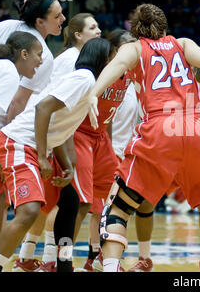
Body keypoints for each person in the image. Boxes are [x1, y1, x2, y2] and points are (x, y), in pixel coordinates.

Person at [87, 3, 200, 272]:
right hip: (196, 128)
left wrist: (93, 92)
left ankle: (110, 267)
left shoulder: (133, 48)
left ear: (136, 31)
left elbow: (118, 65)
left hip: (160, 127)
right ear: (165, 27)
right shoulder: (183, 43)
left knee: (118, 209)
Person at [0, 38, 111, 272]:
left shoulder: (91, 84)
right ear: (104, 60)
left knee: (72, 201)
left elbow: (58, 126)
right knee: (30, 210)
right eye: (113, 58)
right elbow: (43, 108)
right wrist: (44, 158)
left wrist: (67, 164)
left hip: (37, 145)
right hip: (20, 142)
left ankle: (63, 263)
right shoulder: (84, 78)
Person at [14, 13, 102, 272]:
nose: (98, 31)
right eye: (93, 27)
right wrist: (52, 150)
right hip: (62, 134)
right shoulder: (71, 62)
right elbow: (49, 106)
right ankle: (51, 260)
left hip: (63, 133)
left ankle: (32, 257)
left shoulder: (81, 64)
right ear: (77, 34)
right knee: (70, 201)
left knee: (65, 200)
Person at [127, 82, 200, 273]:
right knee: (145, 203)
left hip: (193, 154)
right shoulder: (157, 88)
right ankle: (144, 259)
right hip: (164, 153)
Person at [74, 29, 135, 273]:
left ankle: (99, 260)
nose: (133, 50)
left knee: (111, 203)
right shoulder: (93, 75)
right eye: (128, 46)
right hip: (78, 136)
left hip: (101, 140)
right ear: (112, 51)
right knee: (78, 203)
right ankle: (56, 259)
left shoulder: (130, 74)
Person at [0, 31, 43, 256]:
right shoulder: (9, 71)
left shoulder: (2, 68)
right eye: (38, 54)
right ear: (23, 54)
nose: (40, 61)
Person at [0, 0, 65, 122]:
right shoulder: (44, 55)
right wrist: (6, 139)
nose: (63, 18)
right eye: (57, 16)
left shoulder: (5, 24)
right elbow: (18, 102)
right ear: (40, 21)